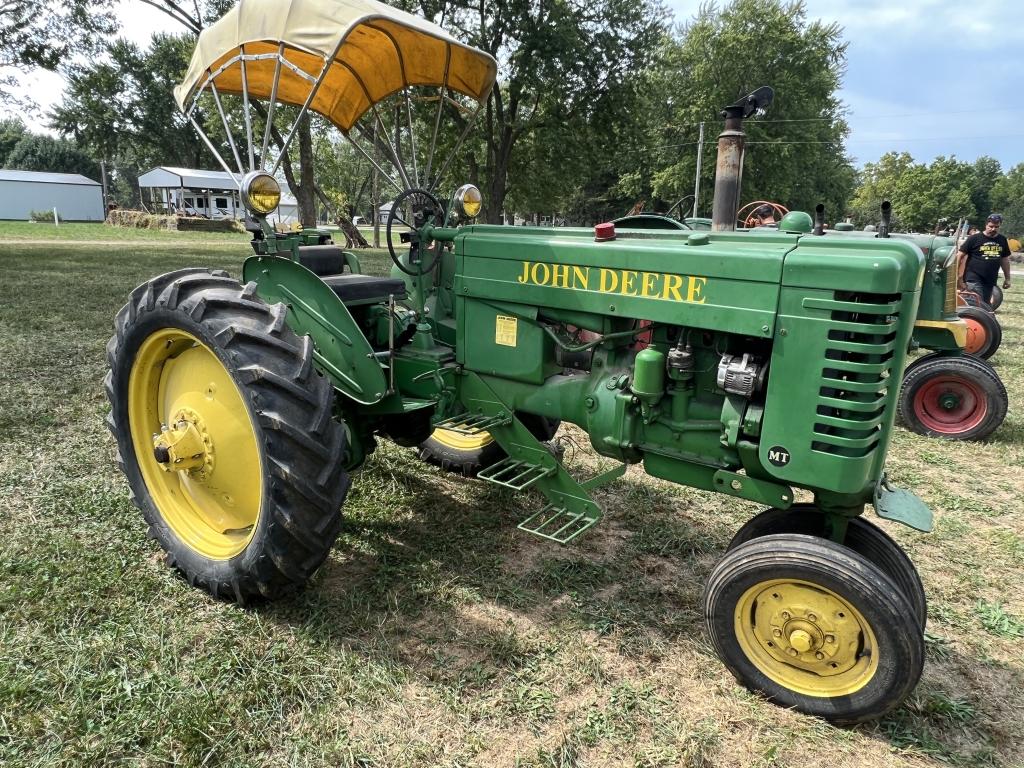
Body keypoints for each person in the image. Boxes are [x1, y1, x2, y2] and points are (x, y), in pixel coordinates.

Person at [957, 214, 1011, 303]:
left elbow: (1004, 259)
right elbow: (959, 255)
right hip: (973, 278)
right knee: (975, 304)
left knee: (985, 304)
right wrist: (958, 276)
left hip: (990, 279)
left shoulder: (1002, 240)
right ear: (986, 225)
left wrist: (1007, 278)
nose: (993, 229)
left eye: (996, 227)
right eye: (991, 226)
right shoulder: (974, 238)